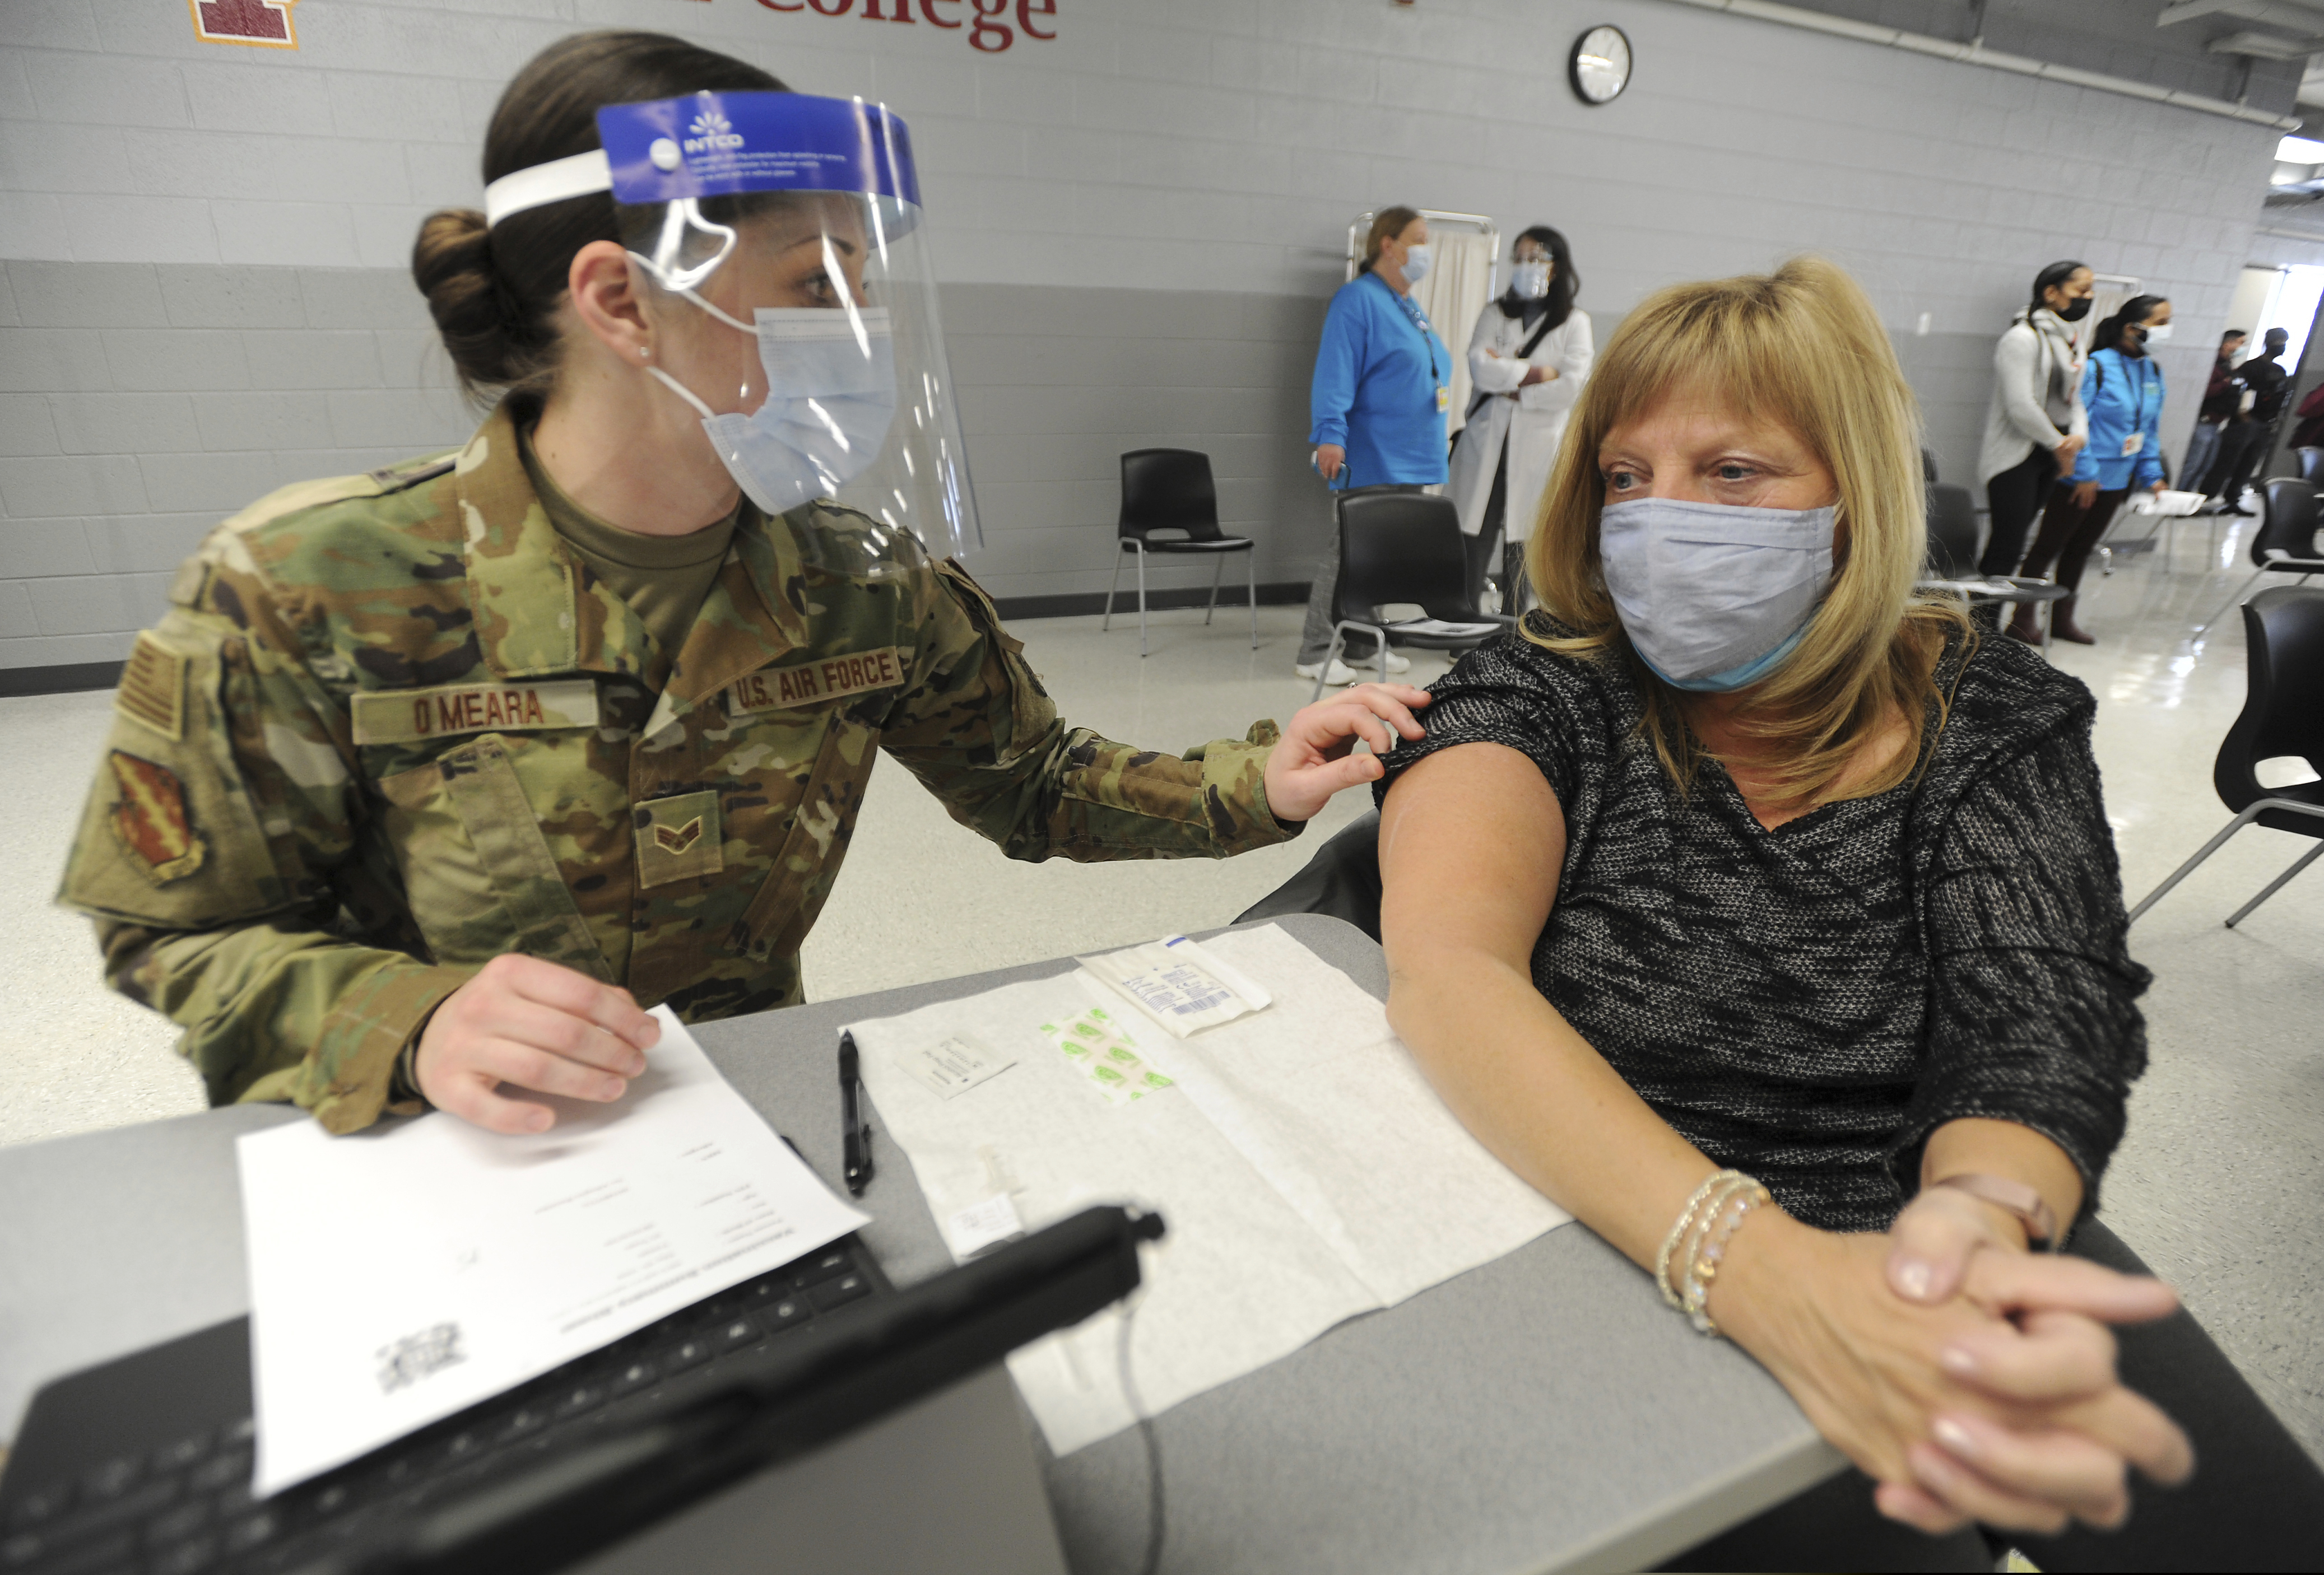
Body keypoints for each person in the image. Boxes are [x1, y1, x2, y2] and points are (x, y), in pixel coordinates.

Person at [55, 31, 1428, 1138]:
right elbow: (172, 925)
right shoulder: (307, 583)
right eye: (812, 280)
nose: (860, 329)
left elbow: (1035, 778)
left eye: (866, 282)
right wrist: (402, 1020)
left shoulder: (857, 581)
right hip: (427, 1154)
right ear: (618, 299)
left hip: (732, 1131)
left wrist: (1258, 782)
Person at [1372, 257, 2324, 1568]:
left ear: (1848, 496)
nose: (1657, 515)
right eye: (1624, 475)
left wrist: (1972, 1222)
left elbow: (2034, 1012)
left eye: (1730, 471)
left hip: (1908, 1210)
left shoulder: (1987, 710)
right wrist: (1759, 1269)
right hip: (1602, 1216)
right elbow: (1447, 965)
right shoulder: (1544, 688)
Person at [1298, 206, 1450, 686]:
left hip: (1411, 453)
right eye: (1419, 239)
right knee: (1349, 550)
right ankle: (1316, 650)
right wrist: (1330, 434)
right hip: (1373, 449)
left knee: (1381, 556)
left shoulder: (1406, 304)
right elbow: (1335, 372)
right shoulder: (1358, 299)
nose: (1426, 250)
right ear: (1389, 244)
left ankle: (1364, 641)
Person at [2006, 296, 2172, 646]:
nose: (2166, 330)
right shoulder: (2097, 365)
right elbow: (2077, 423)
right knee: (2046, 548)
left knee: (2081, 549)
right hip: (2081, 478)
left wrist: (2152, 475)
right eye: (2160, 322)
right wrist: (2084, 474)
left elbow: (2148, 430)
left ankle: (2062, 619)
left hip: (2117, 479)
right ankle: (2022, 619)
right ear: (2132, 327)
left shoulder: (2152, 370)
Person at [1447, 225, 1593, 614]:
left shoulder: (1574, 322)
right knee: (1473, 538)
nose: (1526, 266)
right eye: (1520, 258)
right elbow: (1480, 369)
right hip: (1486, 446)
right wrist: (1541, 373)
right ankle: (1460, 631)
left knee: (1524, 543)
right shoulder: (1494, 313)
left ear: (1556, 267)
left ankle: (1515, 637)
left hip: (1538, 449)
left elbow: (1574, 386)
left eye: (1536, 258)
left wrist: (1512, 380)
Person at [1976, 261, 2092, 578]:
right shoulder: (2021, 338)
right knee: (2007, 546)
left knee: (2015, 544)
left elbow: (2076, 398)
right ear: (2051, 293)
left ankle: (1988, 624)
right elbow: (2020, 405)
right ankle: (1981, 626)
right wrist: (2060, 444)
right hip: (2016, 455)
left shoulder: (2073, 341)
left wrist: (2079, 436)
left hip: (2051, 454)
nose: (2089, 296)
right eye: (2081, 290)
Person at [2200, 325, 2292, 515]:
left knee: (2248, 463)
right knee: (2227, 461)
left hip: (2265, 423)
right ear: (2269, 343)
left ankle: (2233, 498)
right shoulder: (2251, 367)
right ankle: (2206, 498)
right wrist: (2242, 413)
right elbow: (2238, 390)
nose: (2282, 346)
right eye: (2279, 342)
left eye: (2284, 342)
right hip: (2245, 422)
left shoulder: (2280, 370)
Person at [2181, 328, 2246, 493]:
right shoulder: (2213, 364)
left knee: (2204, 466)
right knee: (2192, 465)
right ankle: (2176, 497)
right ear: (2227, 344)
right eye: (2241, 343)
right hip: (2205, 421)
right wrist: (2226, 383)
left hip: (2217, 424)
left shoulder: (2226, 365)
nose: (2242, 347)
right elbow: (2206, 391)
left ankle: (2187, 499)